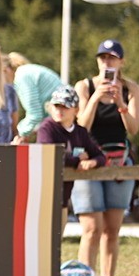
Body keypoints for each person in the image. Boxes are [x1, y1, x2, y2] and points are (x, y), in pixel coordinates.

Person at [72, 39, 139, 276]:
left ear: (121, 62)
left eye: (112, 58)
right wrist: (96, 98)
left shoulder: (131, 87)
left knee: (112, 229)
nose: (107, 62)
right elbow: (81, 127)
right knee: (91, 228)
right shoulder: (85, 86)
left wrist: (121, 101)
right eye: (102, 57)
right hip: (89, 162)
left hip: (119, 163)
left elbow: (133, 128)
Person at [37, 86, 106, 235]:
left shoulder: (80, 132)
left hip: (63, 199)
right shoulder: (46, 128)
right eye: (56, 106)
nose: (59, 110)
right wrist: (77, 160)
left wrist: (92, 162)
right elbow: (50, 156)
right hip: (42, 198)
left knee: (57, 242)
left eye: (65, 107)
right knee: (42, 241)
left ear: (75, 110)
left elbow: (100, 156)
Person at [6, 52, 63, 144]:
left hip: (58, 120)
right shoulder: (28, 71)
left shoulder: (21, 77)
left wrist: (18, 134)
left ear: (5, 70)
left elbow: (35, 114)